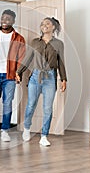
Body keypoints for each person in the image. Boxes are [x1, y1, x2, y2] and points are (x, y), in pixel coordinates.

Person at [15, 17, 67, 146]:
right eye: (43, 24)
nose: (44, 25)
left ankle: (44, 136)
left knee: (48, 108)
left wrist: (64, 79)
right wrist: (18, 72)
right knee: (31, 104)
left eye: (47, 23)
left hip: (51, 77)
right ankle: (27, 128)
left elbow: (61, 62)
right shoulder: (35, 42)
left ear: (53, 27)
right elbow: (28, 58)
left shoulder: (59, 44)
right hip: (35, 76)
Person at [0, 9, 25, 142]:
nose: (4, 21)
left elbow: (21, 58)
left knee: (7, 103)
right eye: (2, 18)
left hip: (10, 76)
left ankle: (5, 130)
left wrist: (18, 73)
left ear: (13, 21)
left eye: (7, 19)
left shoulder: (19, 38)